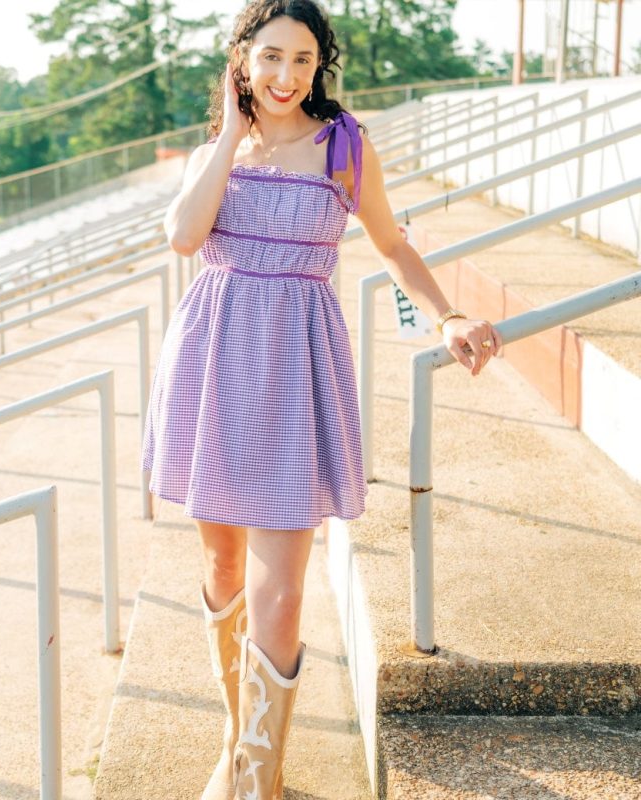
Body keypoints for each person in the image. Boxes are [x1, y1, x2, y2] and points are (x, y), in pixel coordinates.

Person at [140, 1, 502, 797]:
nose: (287, 76)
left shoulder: (344, 144)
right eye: (270, 57)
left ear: (319, 65)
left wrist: (443, 316)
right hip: (214, 361)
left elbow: (392, 243)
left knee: (285, 584)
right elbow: (182, 237)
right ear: (242, 60)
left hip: (297, 369)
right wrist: (233, 136)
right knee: (222, 559)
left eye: (303, 60)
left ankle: (257, 781)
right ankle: (236, 738)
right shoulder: (218, 151)